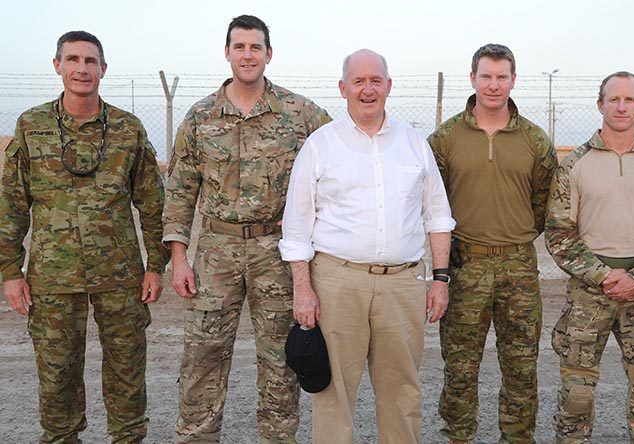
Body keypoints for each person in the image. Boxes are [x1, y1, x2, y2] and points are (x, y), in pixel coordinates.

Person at [162, 15, 330, 443]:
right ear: (227, 53)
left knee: (280, 361)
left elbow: (336, 169)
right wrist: (179, 258)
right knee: (202, 357)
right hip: (215, 252)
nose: (248, 55)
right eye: (240, 47)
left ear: (268, 54)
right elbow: (181, 190)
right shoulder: (200, 117)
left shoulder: (301, 113)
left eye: (256, 47)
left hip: (277, 253)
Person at [279, 48, 455, 444]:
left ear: (389, 86)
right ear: (343, 89)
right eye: (358, 81)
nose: (367, 89)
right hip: (338, 283)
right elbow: (296, 227)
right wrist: (302, 289)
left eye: (376, 80)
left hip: (403, 284)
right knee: (334, 395)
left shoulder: (414, 144)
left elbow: (438, 217)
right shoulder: (320, 146)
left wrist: (440, 280)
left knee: (402, 393)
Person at [0, 30, 168, 443]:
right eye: (72, 59)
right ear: (57, 65)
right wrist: (9, 269)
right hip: (54, 278)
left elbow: (152, 203)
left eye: (90, 61)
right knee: (57, 378)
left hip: (121, 275)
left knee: (127, 371)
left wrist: (155, 266)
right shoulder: (32, 126)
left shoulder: (127, 129)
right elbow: (11, 203)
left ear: (103, 69)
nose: (81, 68)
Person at [545, 71, 634, 443]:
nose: (621, 106)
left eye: (629, 99)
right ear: (600, 104)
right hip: (589, 292)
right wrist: (601, 275)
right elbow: (559, 232)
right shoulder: (575, 164)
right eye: (613, 99)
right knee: (576, 393)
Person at [428, 43, 557, 443]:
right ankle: (458, 437)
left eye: (502, 77)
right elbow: (433, 201)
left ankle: (517, 437)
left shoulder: (535, 140)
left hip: (519, 266)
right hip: (465, 266)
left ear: (513, 81)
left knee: (521, 367)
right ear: (472, 79)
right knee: (460, 369)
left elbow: (542, 205)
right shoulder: (446, 138)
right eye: (486, 76)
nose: (494, 85)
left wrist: (513, 237)